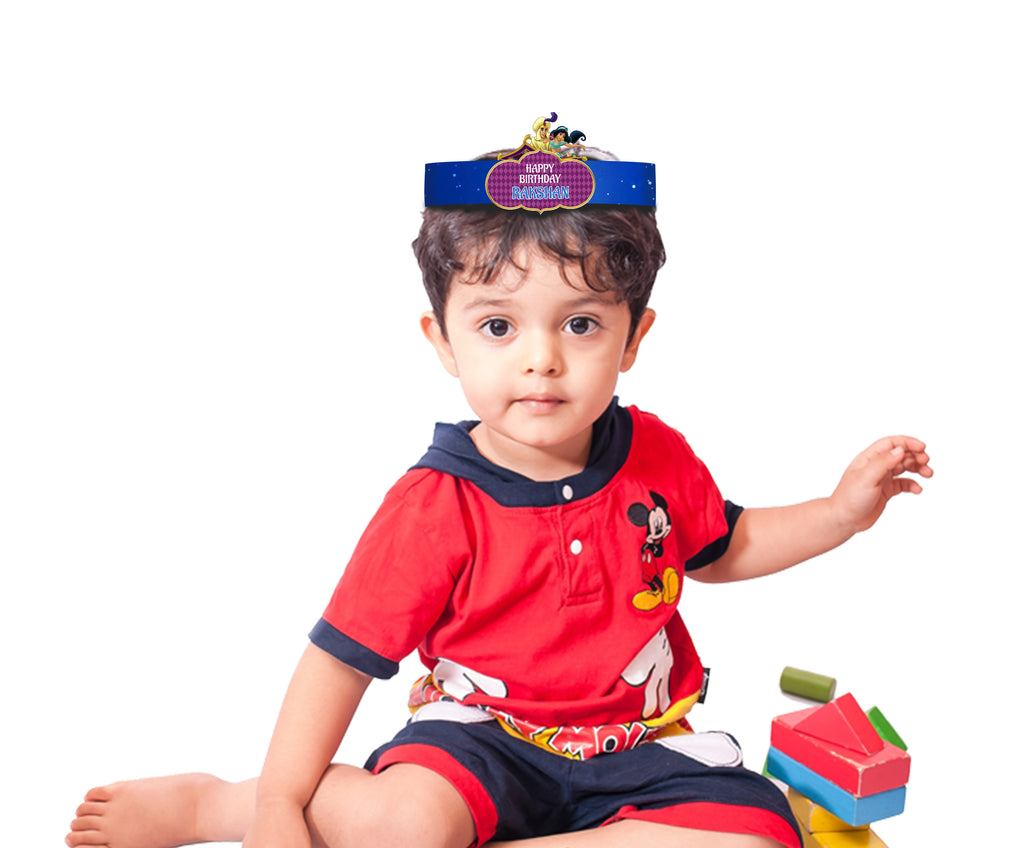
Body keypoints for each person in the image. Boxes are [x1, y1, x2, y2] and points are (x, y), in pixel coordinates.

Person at [65, 143, 932, 848]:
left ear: (633, 338)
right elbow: (339, 661)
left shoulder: (654, 453)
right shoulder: (434, 505)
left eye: (581, 324)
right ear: (443, 341)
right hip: (475, 749)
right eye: (497, 326)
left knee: (759, 834)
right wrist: (275, 810)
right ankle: (220, 802)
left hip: (638, 749)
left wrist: (839, 513)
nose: (540, 359)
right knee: (403, 827)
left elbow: (724, 546)